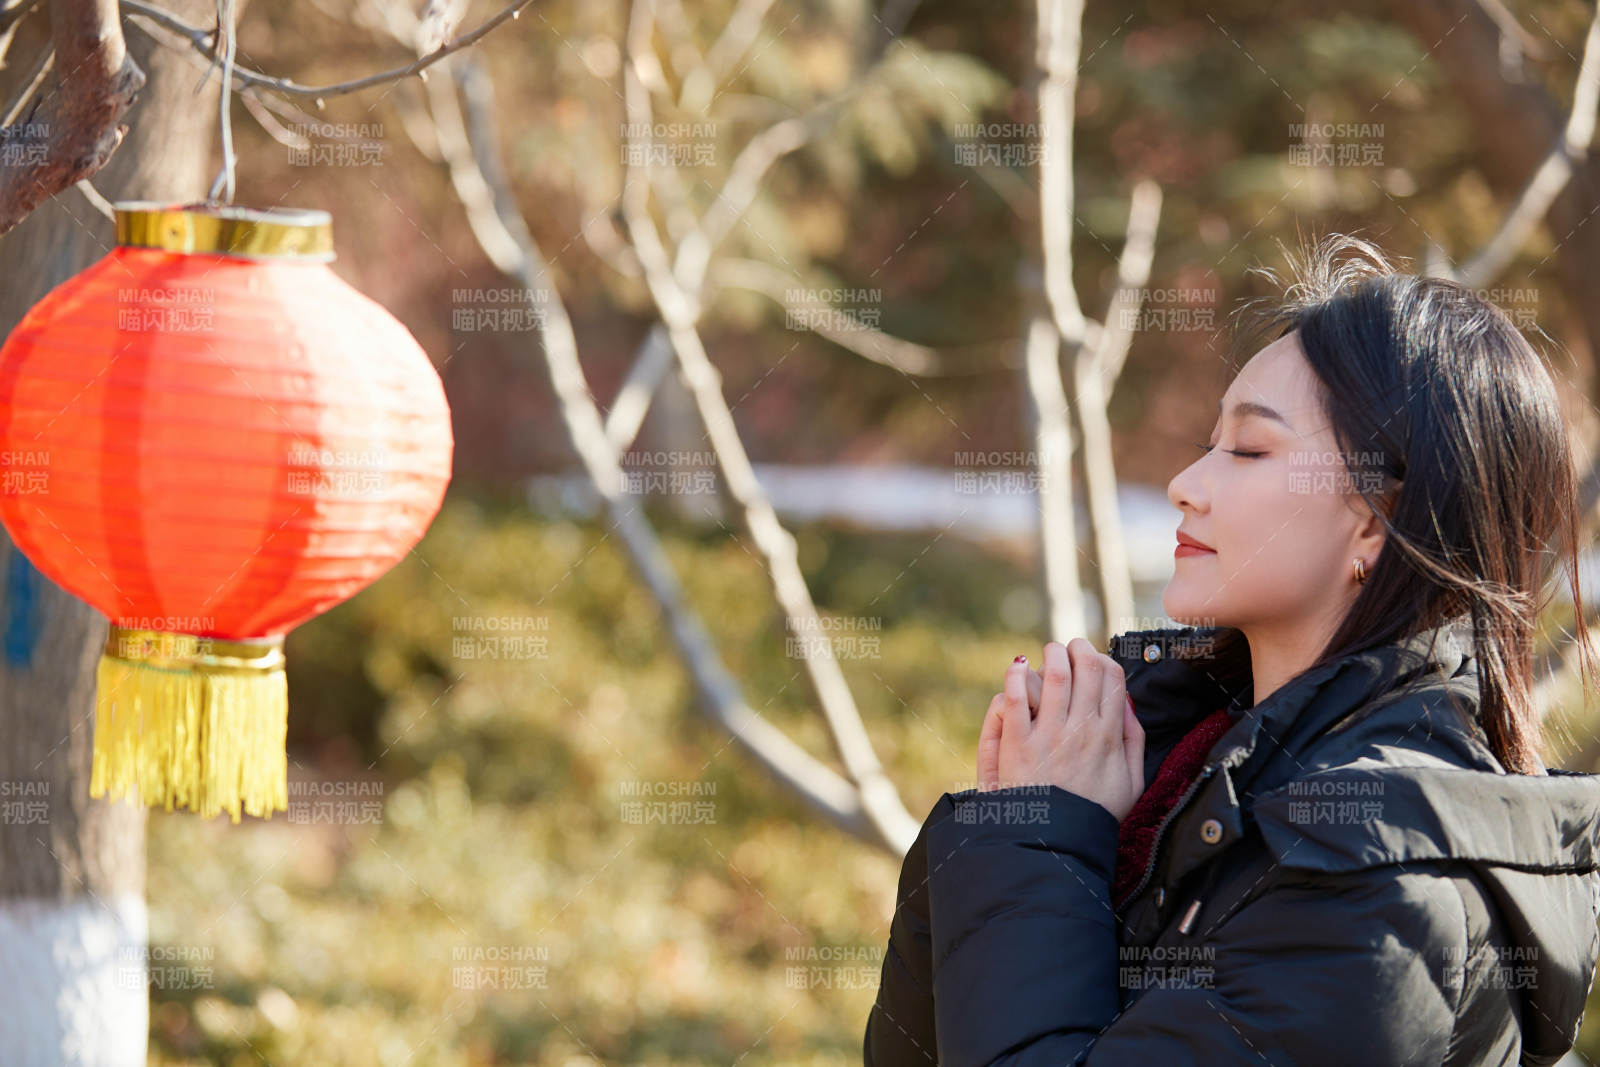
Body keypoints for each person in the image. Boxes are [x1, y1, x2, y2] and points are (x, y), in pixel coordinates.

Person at [863, 233, 1600, 1066]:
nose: (1186, 482)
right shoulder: (1181, 772)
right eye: (1211, 442)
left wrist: (1039, 843)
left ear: (1375, 518)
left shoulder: (1376, 888)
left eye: (1248, 449)